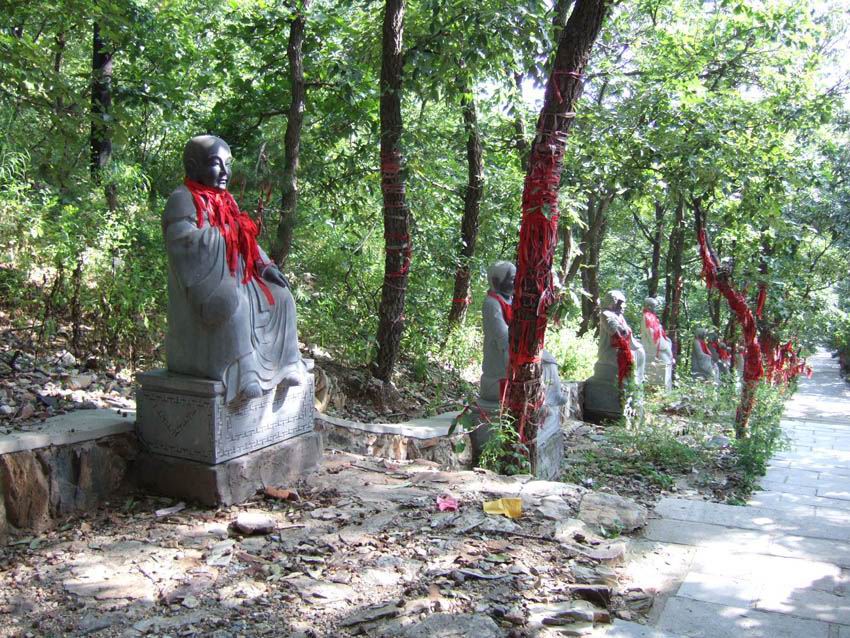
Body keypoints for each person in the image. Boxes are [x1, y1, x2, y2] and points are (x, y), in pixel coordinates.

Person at [162, 135, 306, 403]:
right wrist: (226, 233)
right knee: (234, 304)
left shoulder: (227, 201)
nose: (225, 172)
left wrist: (264, 265)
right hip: (209, 282)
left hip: (241, 274)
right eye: (216, 164)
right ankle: (244, 375)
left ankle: (286, 364)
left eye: (228, 164)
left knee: (282, 297)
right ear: (193, 166)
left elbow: (245, 240)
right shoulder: (182, 199)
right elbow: (184, 244)